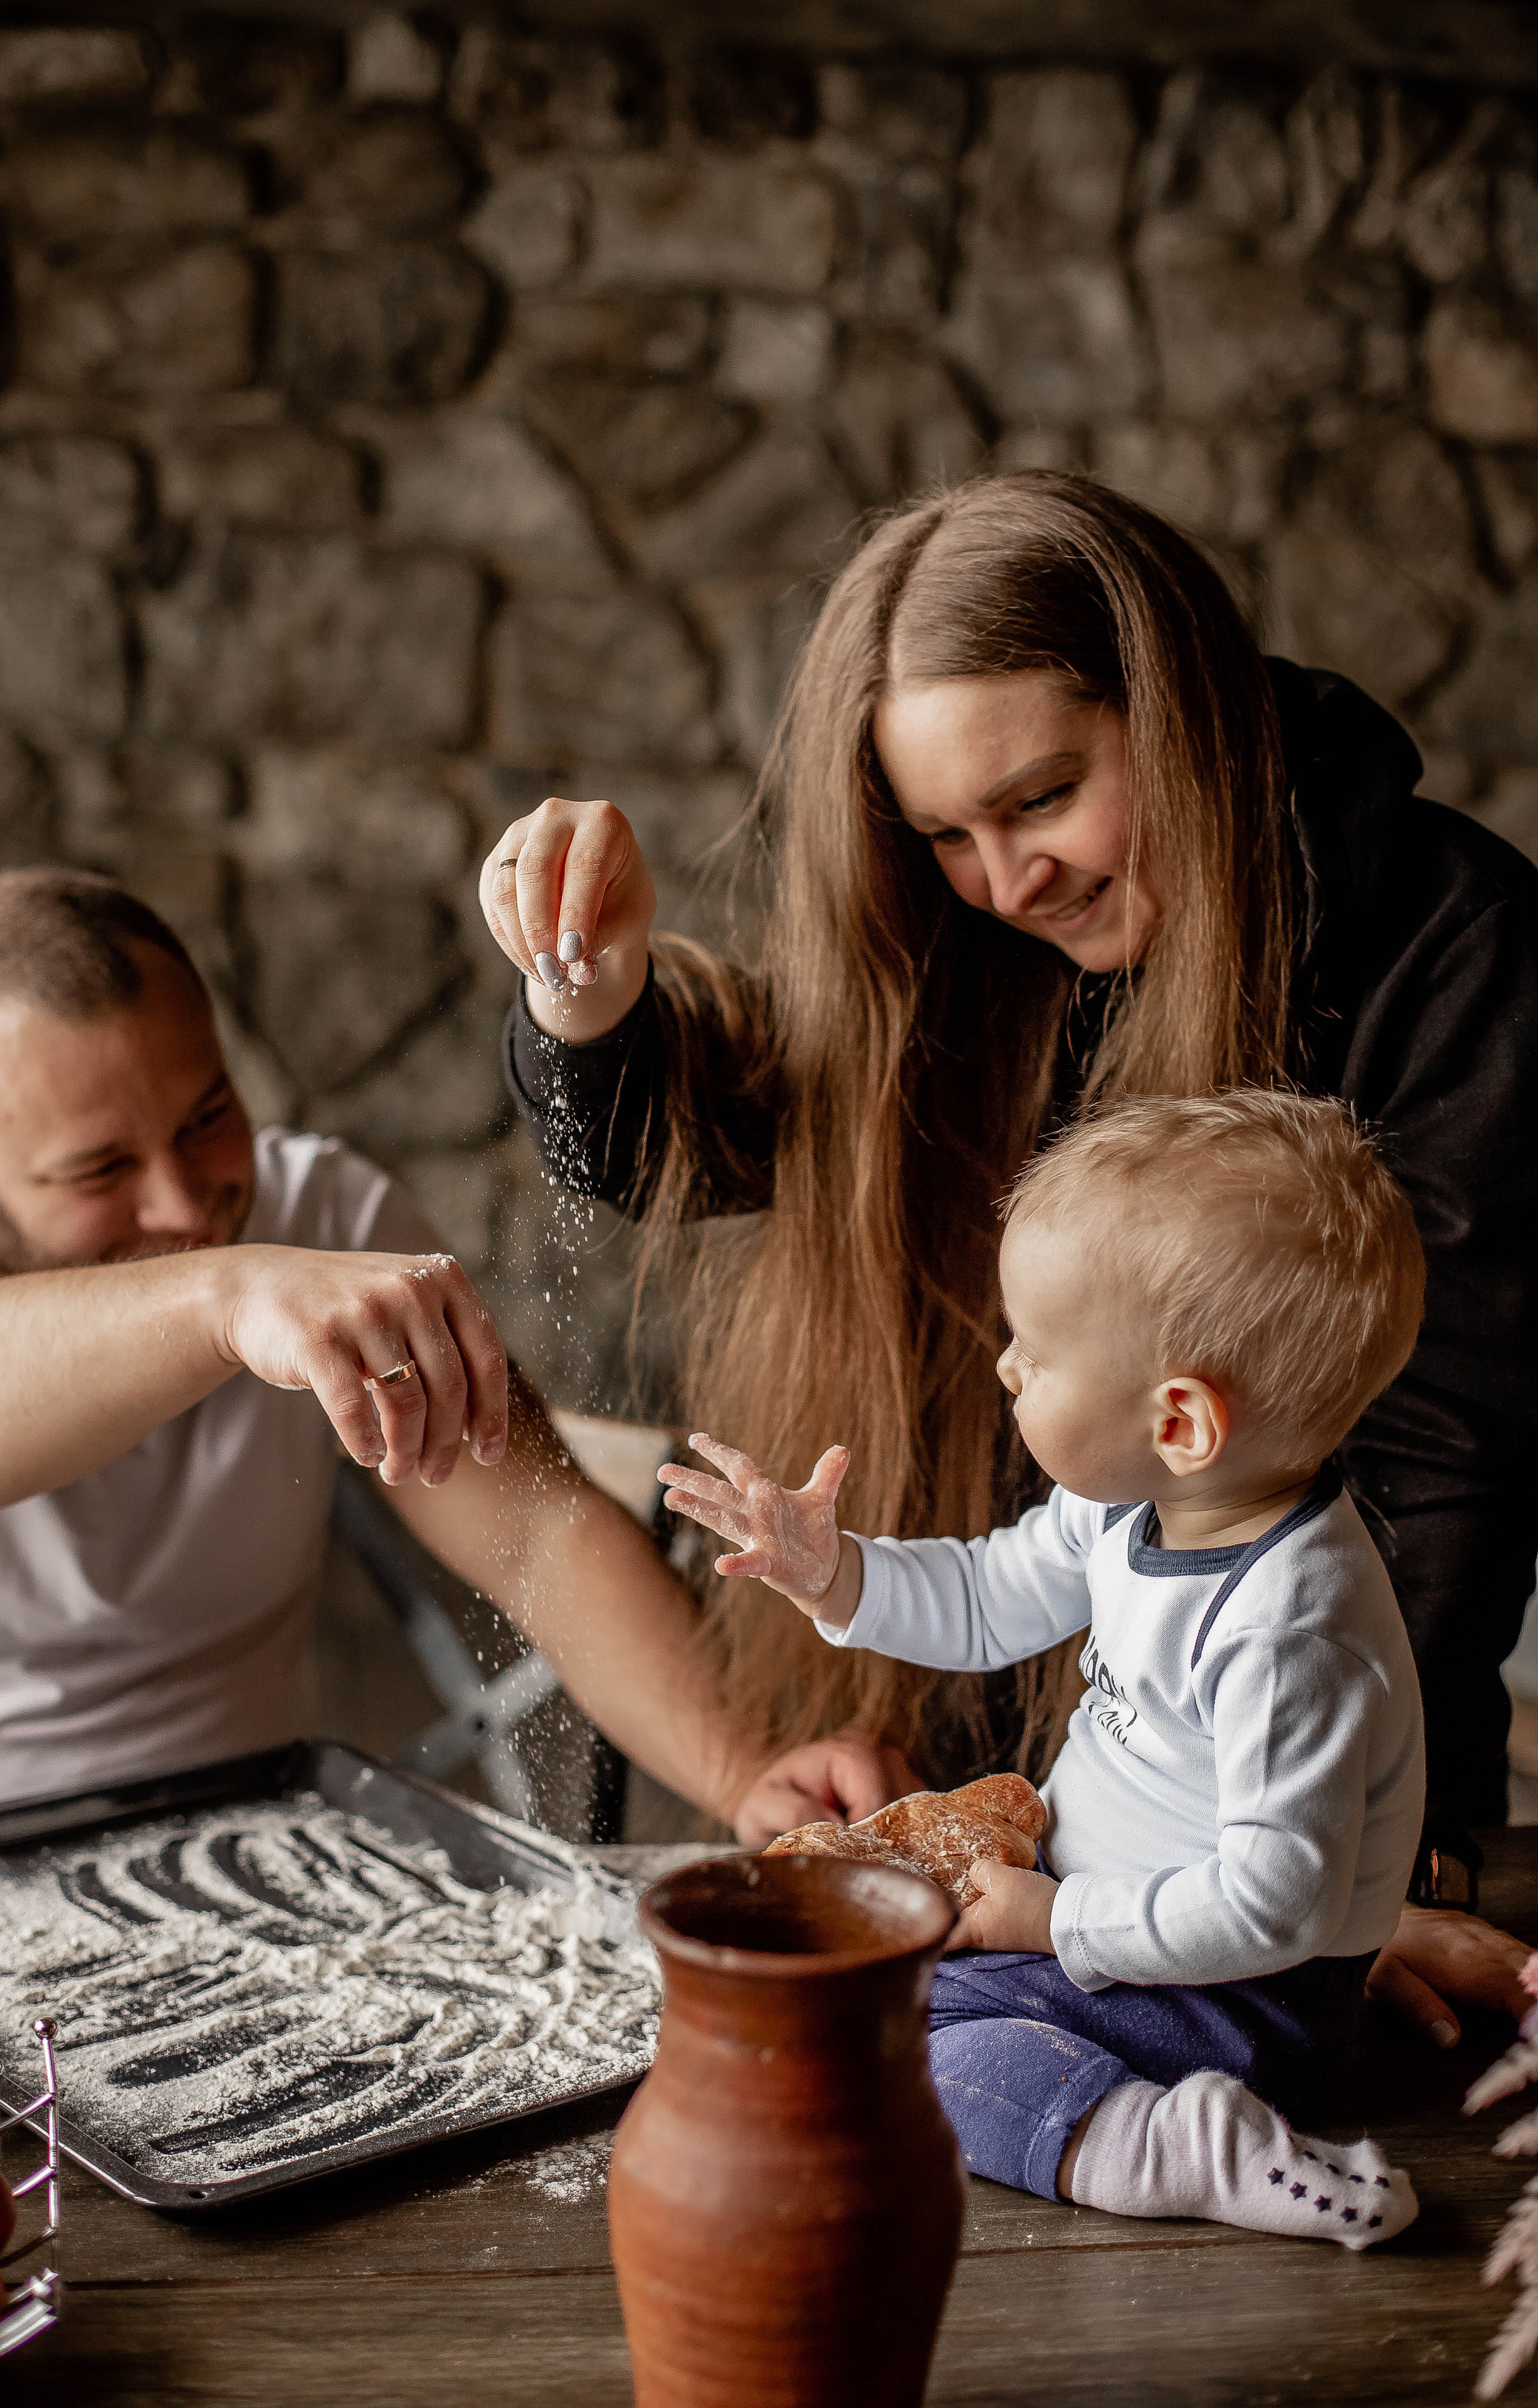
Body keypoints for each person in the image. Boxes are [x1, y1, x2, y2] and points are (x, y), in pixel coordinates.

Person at [481, 467, 1538, 2046]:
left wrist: (1361, 1883)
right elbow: (647, 1149)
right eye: (944, 836)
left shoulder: (1448, 946)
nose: (1005, 880)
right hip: (963, 1766)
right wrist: (588, 996)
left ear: (1174, 709)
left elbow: (1435, 1463)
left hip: (1258, 1817)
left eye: (1043, 796)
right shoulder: (957, 938)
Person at [0, 865, 861, 1832]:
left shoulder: (321, 1215)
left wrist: (750, 1775)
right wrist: (227, 1293)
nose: (182, 1202)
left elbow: (540, 1529)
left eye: (208, 1118)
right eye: (101, 1169)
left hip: (253, 1833)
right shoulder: (245, 1271)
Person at [660, 1092, 1424, 2246]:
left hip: (1234, 2001)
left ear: (1180, 1423)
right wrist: (837, 1575)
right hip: (1101, 1930)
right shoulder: (1142, 1509)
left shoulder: (1288, 1628)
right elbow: (983, 1596)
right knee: (844, 1997)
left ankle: (1177, 2145)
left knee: (886, 2050)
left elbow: (1279, 1906)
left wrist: (1057, 1921)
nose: (1008, 1368)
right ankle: (1106, 2097)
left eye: (1039, 1352)